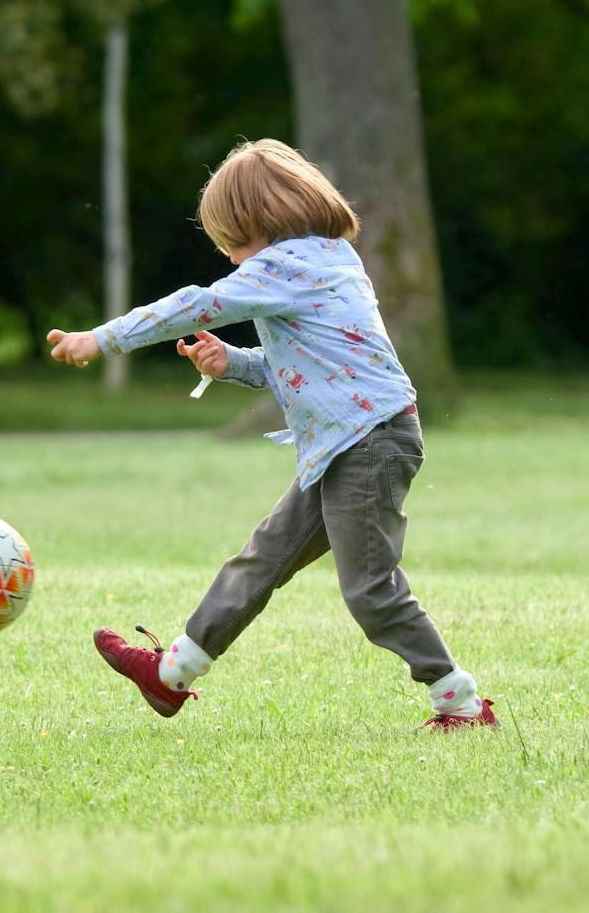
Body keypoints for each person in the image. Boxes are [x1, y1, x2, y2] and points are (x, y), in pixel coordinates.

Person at [45, 138, 495, 730]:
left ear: (258, 222)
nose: (232, 259)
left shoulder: (285, 266)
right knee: (260, 561)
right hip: (348, 444)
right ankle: (170, 675)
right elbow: (307, 368)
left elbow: (196, 304)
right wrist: (231, 363)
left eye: (231, 242)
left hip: (368, 444)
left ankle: (461, 703)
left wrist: (102, 339)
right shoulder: (329, 257)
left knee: (370, 591)